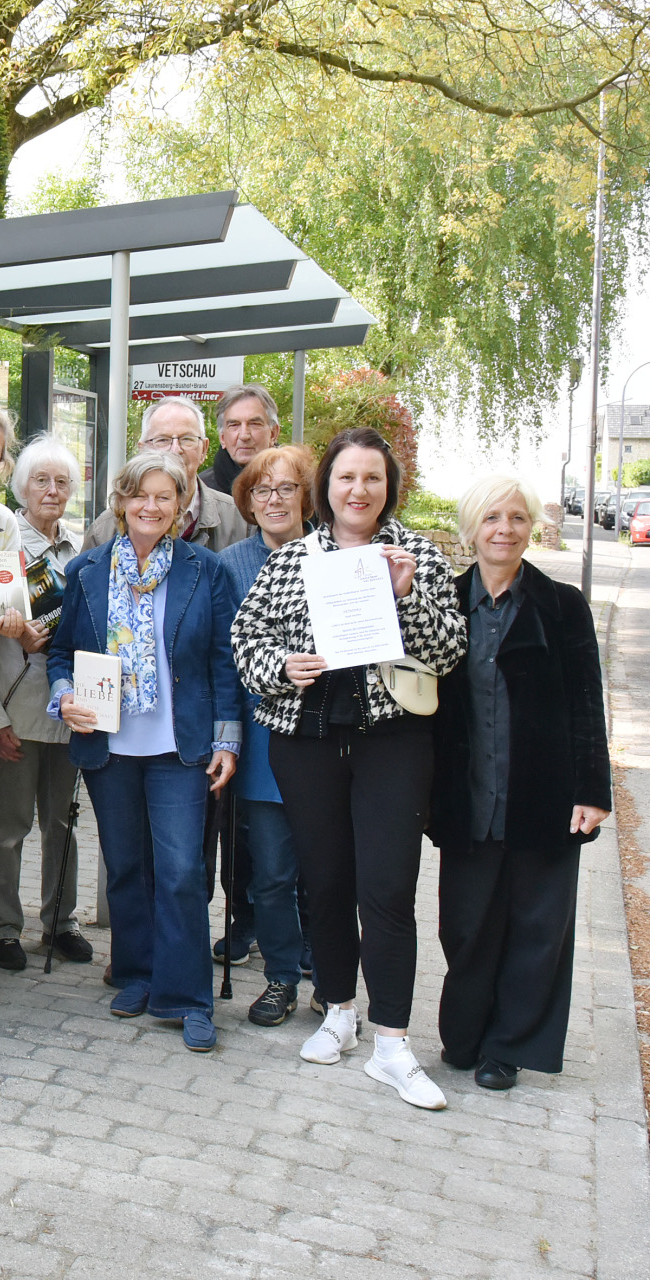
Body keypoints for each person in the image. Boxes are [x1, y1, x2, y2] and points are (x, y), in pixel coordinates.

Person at [231, 426, 467, 1110]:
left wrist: (407, 597)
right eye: (345, 478)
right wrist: (281, 668)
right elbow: (247, 639)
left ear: (387, 486)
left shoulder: (416, 553)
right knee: (325, 882)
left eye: (371, 478)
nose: (357, 490)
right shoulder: (293, 558)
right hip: (306, 742)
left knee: (388, 889)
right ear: (325, 488)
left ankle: (392, 1042)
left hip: (392, 742)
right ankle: (338, 1008)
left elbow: (447, 652)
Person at [48, 451, 240, 1053]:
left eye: (164, 497)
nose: (151, 507)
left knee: (182, 872)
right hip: (110, 744)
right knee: (126, 866)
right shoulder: (86, 572)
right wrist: (64, 696)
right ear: (121, 502)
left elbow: (223, 661)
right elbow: (59, 653)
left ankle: (186, 997)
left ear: (181, 506)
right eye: (140, 496)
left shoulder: (206, 570)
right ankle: (135, 974)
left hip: (179, 745)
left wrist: (227, 737)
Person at [430, 475, 609, 1091]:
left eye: (515, 518)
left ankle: (509, 1046)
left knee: (537, 928)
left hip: (546, 797)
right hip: (467, 799)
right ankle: (466, 1035)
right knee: (466, 925)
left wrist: (593, 790)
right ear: (471, 529)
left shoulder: (563, 606)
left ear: (530, 527)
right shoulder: (444, 604)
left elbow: (588, 702)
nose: (504, 529)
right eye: (491, 518)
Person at [0, 418, 91, 971]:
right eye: (40, 480)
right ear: (19, 486)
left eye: (62, 482)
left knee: (62, 820)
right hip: (14, 709)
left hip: (69, 709)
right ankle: (2, 928)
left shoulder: (85, 550)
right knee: (9, 823)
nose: (51, 491)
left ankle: (61, 922)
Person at [216, 444, 315, 1028]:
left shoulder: (334, 556)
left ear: (308, 496)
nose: (274, 500)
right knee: (272, 869)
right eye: (262, 490)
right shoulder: (231, 564)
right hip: (259, 737)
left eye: (286, 489)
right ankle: (280, 977)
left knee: (328, 870)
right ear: (248, 502)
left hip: (327, 735)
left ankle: (328, 975)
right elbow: (226, 661)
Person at [83, 396, 249, 552]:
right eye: (162, 440)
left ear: (204, 449)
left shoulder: (240, 521)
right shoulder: (104, 530)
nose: (176, 450)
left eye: (187, 439)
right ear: (142, 450)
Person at [198, 384, 284, 495]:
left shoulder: (299, 485)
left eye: (254, 424)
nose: (244, 435)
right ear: (222, 438)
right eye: (234, 425)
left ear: (273, 434)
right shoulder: (202, 491)